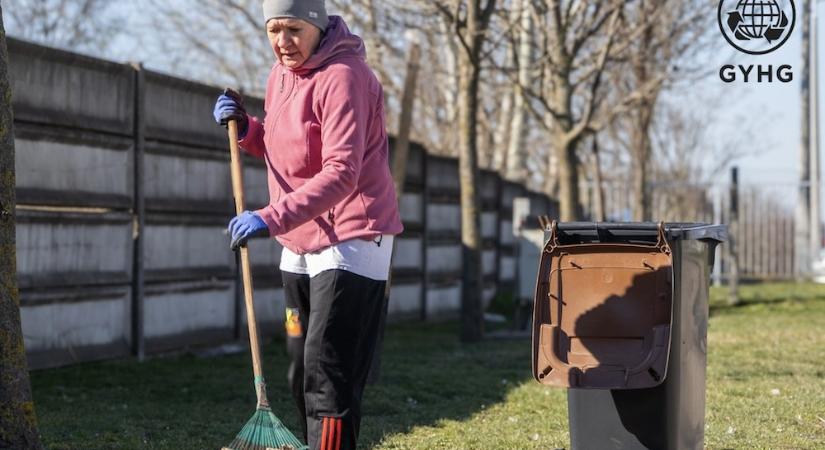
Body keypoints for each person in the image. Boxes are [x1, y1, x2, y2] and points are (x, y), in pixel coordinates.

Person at [212, 1, 403, 449]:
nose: (282, 42)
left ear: (317, 25)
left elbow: (341, 172)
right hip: (300, 241)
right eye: (273, 29)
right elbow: (289, 150)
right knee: (301, 372)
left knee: (326, 374)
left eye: (293, 29)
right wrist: (247, 130)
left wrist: (267, 216)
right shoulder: (280, 76)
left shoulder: (345, 76)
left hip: (351, 238)